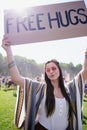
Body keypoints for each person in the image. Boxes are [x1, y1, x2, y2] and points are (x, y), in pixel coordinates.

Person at [1, 35, 87, 130]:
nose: (51, 71)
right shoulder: (40, 87)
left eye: (54, 68)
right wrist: (8, 51)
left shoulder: (70, 88)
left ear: (59, 70)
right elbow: (16, 78)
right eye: (48, 70)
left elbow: (85, 70)